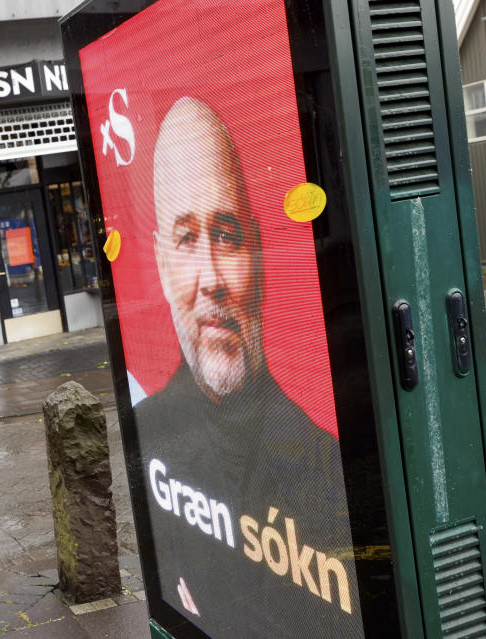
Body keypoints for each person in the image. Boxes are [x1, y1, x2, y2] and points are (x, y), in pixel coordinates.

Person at [133, 98, 362, 637]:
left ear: (256, 253)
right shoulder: (150, 432)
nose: (212, 276)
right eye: (188, 239)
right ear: (163, 266)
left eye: (227, 234)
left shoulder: (325, 469)